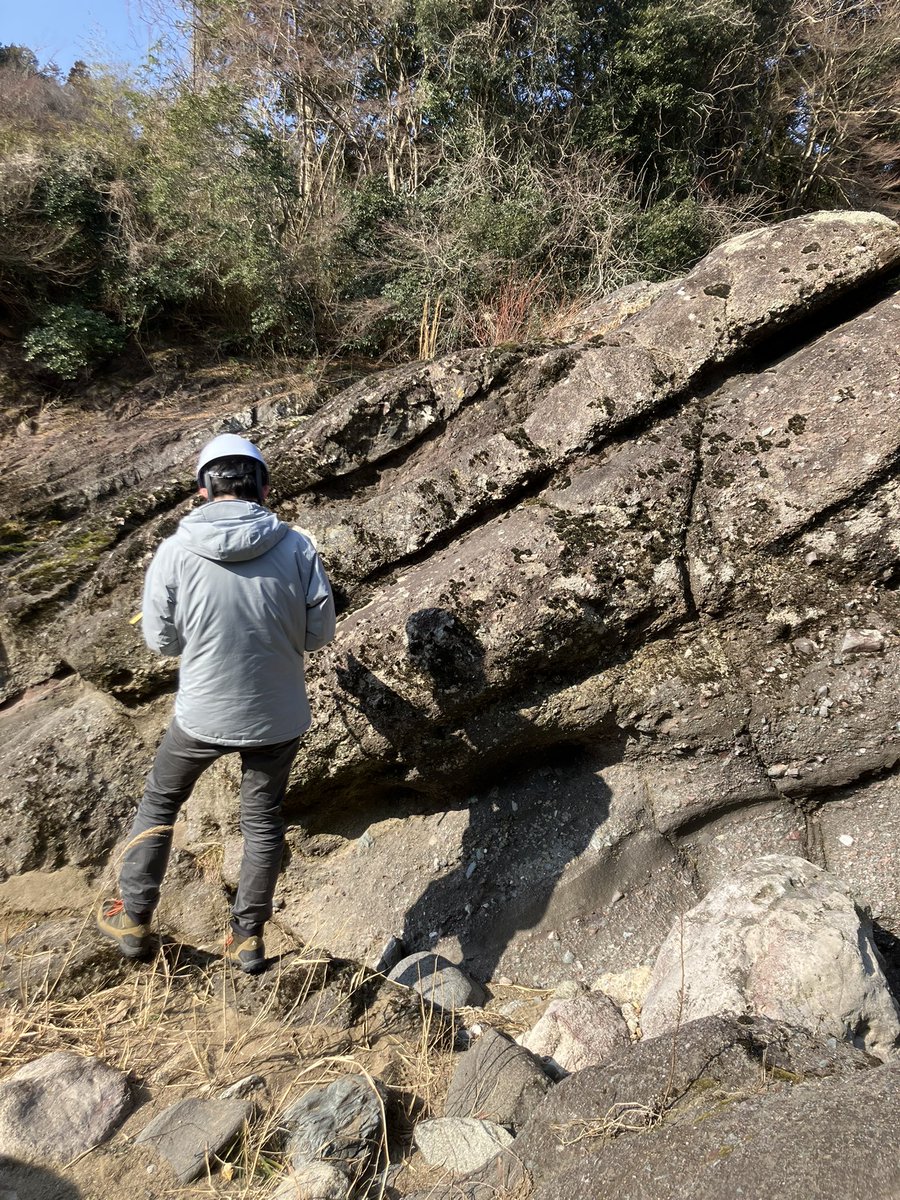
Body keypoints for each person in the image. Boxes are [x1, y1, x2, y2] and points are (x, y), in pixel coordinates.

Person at [97, 434, 335, 973]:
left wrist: (200, 641)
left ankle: (133, 914)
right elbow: (319, 634)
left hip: (201, 713)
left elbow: (160, 640)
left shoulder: (176, 551)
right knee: (261, 820)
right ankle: (246, 938)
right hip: (277, 716)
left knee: (160, 803)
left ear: (202, 490)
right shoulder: (297, 546)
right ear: (264, 489)